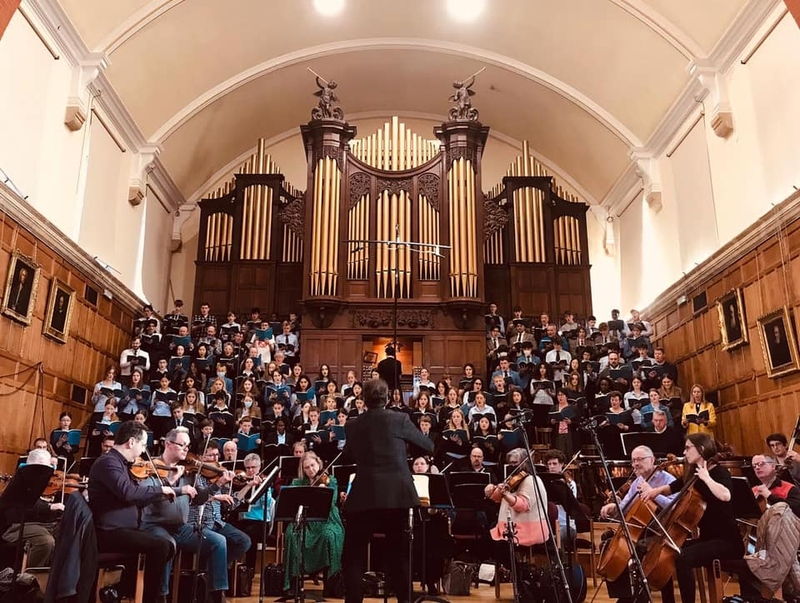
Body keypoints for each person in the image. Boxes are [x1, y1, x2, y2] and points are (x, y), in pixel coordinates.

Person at [342, 378, 434, 603]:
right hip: (397, 496)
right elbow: (428, 446)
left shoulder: (353, 424)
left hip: (365, 496)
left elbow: (348, 456)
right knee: (398, 555)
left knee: (353, 556)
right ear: (388, 397)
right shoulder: (400, 419)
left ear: (363, 399)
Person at [640, 433, 742, 603]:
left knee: (683, 558)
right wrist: (654, 491)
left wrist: (707, 478)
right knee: (668, 552)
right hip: (708, 538)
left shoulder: (718, 472)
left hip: (728, 541)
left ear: (701, 449)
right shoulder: (693, 474)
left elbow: (726, 495)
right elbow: (673, 486)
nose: (684, 452)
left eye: (688, 448)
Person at [140, 427, 238, 602]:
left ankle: (216, 594)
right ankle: (161, 596)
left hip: (181, 527)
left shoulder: (188, 471)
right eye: (182, 445)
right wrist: (175, 485)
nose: (186, 449)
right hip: (156, 525)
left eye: (188, 445)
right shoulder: (151, 468)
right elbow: (147, 498)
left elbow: (199, 498)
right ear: (168, 444)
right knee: (167, 544)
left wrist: (219, 483)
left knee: (219, 541)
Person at [88, 421, 176, 603]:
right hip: (108, 532)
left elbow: (137, 497)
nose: (144, 451)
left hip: (122, 530)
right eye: (143, 445)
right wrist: (160, 490)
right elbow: (128, 493)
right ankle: (147, 598)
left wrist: (167, 490)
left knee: (166, 545)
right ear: (131, 442)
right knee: (161, 546)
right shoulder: (109, 462)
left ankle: (121, 590)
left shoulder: (121, 463)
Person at [282, 451, 344, 594]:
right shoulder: (298, 482)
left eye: (313, 465)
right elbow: (291, 503)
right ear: (302, 469)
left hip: (327, 520)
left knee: (330, 536)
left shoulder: (330, 480)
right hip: (305, 521)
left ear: (319, 463)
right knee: (292, 534)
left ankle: (331, 583)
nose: (311, 470)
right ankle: (293, 582)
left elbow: (332, 502)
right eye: (307, 468)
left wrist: (322, 493)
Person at [0, 448, 64, 567]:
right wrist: (49, 506)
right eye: (45, 468)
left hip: (35, 523)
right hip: (13, 526)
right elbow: (24, 506)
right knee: (46, 541)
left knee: (65, 529)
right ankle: (30, 577)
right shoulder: (22, 481)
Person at [484, 448, 549, 556]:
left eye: (515, 463)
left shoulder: (531, 480)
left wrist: (506, 495)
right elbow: (497, 499)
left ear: (525, 463)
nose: (512, 467)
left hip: (526, 532)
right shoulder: (513, 479)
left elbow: (522, 505)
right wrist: (492, 490)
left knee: (493, 545)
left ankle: (509, 571)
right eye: (510, 463)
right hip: (509, 529)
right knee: (485, 538)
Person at [410, 456, 451, 595]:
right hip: (413, 521)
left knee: (434, 546)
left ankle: (430, 581)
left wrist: (433, 510)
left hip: (432, 523)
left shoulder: (434, 482)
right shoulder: (408, 481)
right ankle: (407, 582)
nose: (419, 466)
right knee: (412, 545)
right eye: (416, 464)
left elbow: (440, 502)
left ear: (428, 466)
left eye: (422, 463)